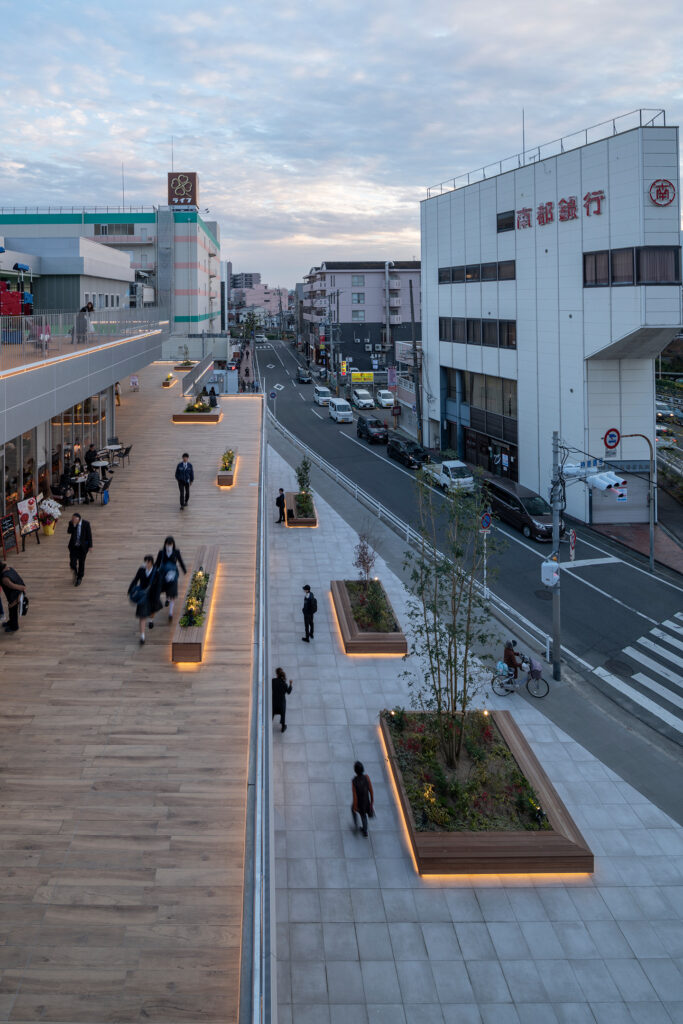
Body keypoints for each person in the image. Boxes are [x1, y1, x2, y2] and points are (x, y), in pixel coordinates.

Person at [128, 555, 162, 644]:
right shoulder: (141, 570)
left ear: (150, 562)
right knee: (142, 616)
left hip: (153, 595)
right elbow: (135, 580)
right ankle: (142, 636)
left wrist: (157, 597)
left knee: (153, 610)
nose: (144, 564)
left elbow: (158, 586)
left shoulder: (156, 572)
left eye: (146, 562)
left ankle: (151, 620)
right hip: (143, 595)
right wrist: (130, 590)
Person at [155, 536, 187, 619]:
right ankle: (167, 599)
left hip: (173, 575)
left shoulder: (176, 552)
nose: (169, 546)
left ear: (173, 544)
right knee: (165, 589)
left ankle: (170, 613)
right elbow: (157, 564)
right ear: (165, 544)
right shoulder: (161, 552)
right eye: (167, 544)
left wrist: (184, 570)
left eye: (170, 544)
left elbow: (180, 561)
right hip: (163, 574)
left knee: (172, 592)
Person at [67, 512, 93, 586]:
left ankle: (79, 577)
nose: (72, 520)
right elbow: (69, 531)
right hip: (73, 547)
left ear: (78, 519)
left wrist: (90, 546)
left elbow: (89, 535)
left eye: (74, 519)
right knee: (72, 562)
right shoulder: (71, 523)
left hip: (82, 548)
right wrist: (74, 526)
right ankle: (75, 571)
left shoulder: (86, 524)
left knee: (81, 563)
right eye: (72, 519)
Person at [0, 560, 26, 634]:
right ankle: (10, 622)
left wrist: (22, 589)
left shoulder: (5, 579)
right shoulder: (10, 568)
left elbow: (14, 586)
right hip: (13, 594)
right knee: (11, 609)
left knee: (13, 611)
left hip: (15, 595)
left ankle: (14, 627)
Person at [351, 761, 374, 837]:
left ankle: (357, 825)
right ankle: (365, 831)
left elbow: (355, 796)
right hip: (366, 801)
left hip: (360, 803)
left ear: (355, 771)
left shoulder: (354, 781)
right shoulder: (366, 777)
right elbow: (371, 790)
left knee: (358, 812)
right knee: (364, 816)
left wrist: (355, 806)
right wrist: (372, 801)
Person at [272, 667, 293, 732]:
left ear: (277, 674)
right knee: (283, 714)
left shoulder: (273, 681)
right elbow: (289, 692)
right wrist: (290, 684)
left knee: (272, 713)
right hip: (281, 702)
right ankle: (283, 727)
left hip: (274, 701)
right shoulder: (285, 684)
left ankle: (269, 724)